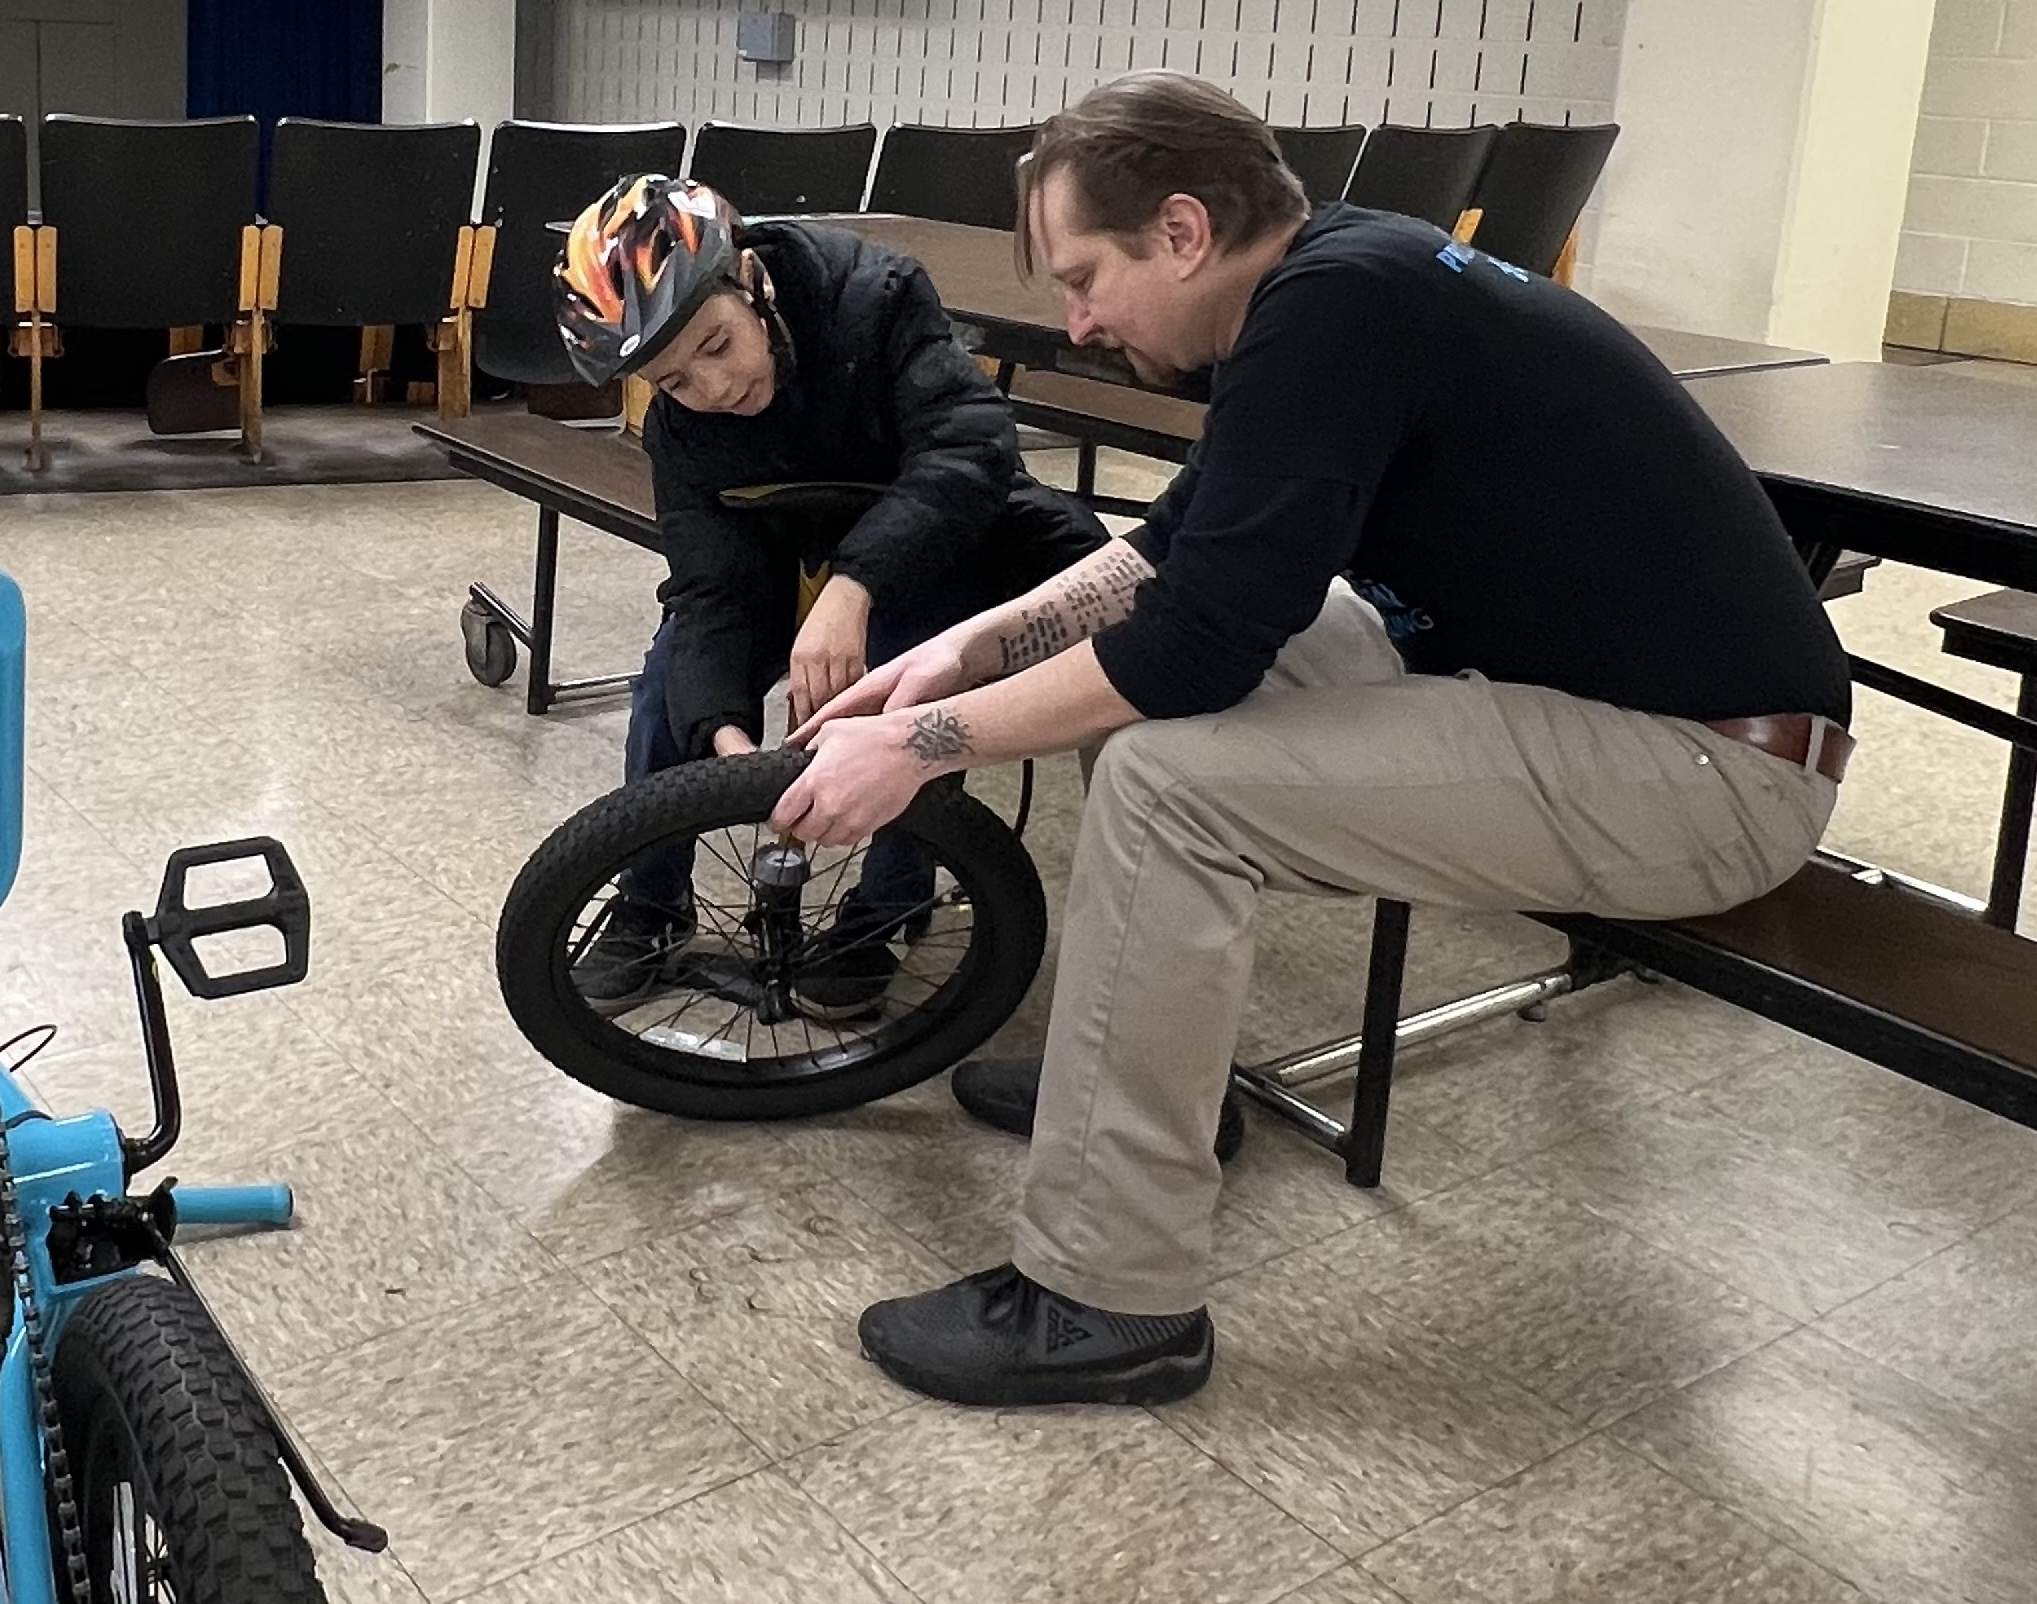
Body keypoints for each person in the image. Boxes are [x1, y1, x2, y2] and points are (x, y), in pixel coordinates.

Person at [782, 71, 1852, 1410]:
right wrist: (966, 650)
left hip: (1707, 773)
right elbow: (1176, 556)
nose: (1078, 321)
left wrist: (924, 742)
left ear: (1182, 231)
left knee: (1170, 780)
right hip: (1561, 694)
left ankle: (1107, 1299)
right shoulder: (1332, 280)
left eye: (1087, 278)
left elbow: (1191, 647)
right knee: (1138, 712)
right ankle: (1151, 1094)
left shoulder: (1338, 307)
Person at [552, 175, 1106, 1011]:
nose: (712, 389)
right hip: (787, 550)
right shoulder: (684, 430)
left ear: (752, 278)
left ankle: (883, 913)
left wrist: (855, 586)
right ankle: (650, 904)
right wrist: (727, 745)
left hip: (933, 541)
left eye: (717, 346)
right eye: (674, 382)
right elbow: (711, 588)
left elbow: (970, 450)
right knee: (668, 685)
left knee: (907, 682)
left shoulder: (874, 297)